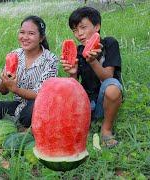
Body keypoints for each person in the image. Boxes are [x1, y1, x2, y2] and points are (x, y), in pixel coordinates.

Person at [0, 15, 58, 128]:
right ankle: (16, 123)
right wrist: (4, 82)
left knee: (30, 113)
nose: (25, 37)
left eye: (31, 33)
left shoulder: (50, 59)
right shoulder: (15, 54)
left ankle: (22, 124)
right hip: (18, 105)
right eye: (22, 32)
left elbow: (41, 94)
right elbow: (3, 91)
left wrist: (15, 89)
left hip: (38, 104)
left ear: (41, 38)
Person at [61, 7, 123, 148]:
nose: (79, 34)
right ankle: (86, 123)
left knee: (112, 87)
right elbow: (74, 86)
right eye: (75, 30)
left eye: (83, 27)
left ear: (97, 26)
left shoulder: (109, 43)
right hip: (87, 103)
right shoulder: (78, 50)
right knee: (63, 93)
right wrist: (72, 73)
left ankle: (106, 130)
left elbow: (108, 77)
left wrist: (93, 61)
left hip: (105, 100)